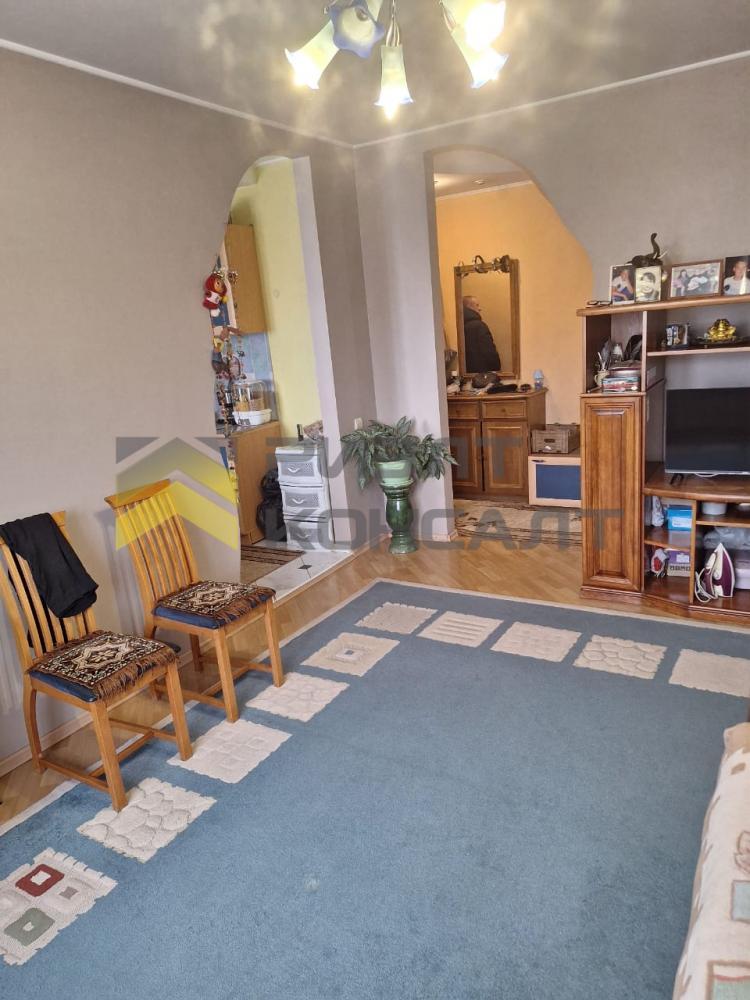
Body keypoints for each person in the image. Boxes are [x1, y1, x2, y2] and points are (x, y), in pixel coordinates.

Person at [462, 296, 501, 372]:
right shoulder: (479, 326)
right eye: (477, 305)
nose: (480, 308)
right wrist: (496, 366)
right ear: (469, 306)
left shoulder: (460, 327)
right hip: (483, 374)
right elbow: (489, 351)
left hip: (468, 373)